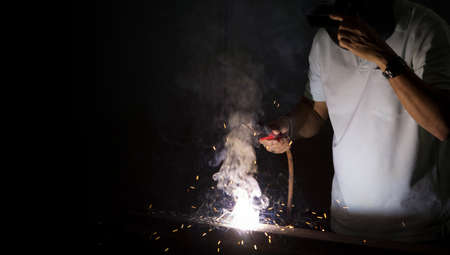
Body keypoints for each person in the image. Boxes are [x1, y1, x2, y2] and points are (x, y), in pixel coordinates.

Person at [260, 0, 449, 242]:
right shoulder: (323, 40)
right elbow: (315, 112)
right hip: (347, 225)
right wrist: (288, 127)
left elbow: (441, 124)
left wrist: (382, 56)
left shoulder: (425, 29)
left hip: (417, 229)